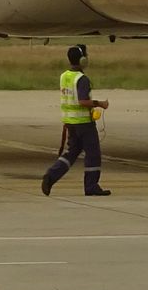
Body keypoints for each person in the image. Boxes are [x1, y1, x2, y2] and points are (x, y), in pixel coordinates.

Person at [41, 44, 111, 196]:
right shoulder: (82, 79)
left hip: (70, 123)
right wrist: (100, 104)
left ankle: (51, 176)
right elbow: (82, 101)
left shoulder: (64, 76)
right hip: (84, 124)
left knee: (71, 154)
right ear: (82, 59)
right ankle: (91, 186)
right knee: (93, 155)